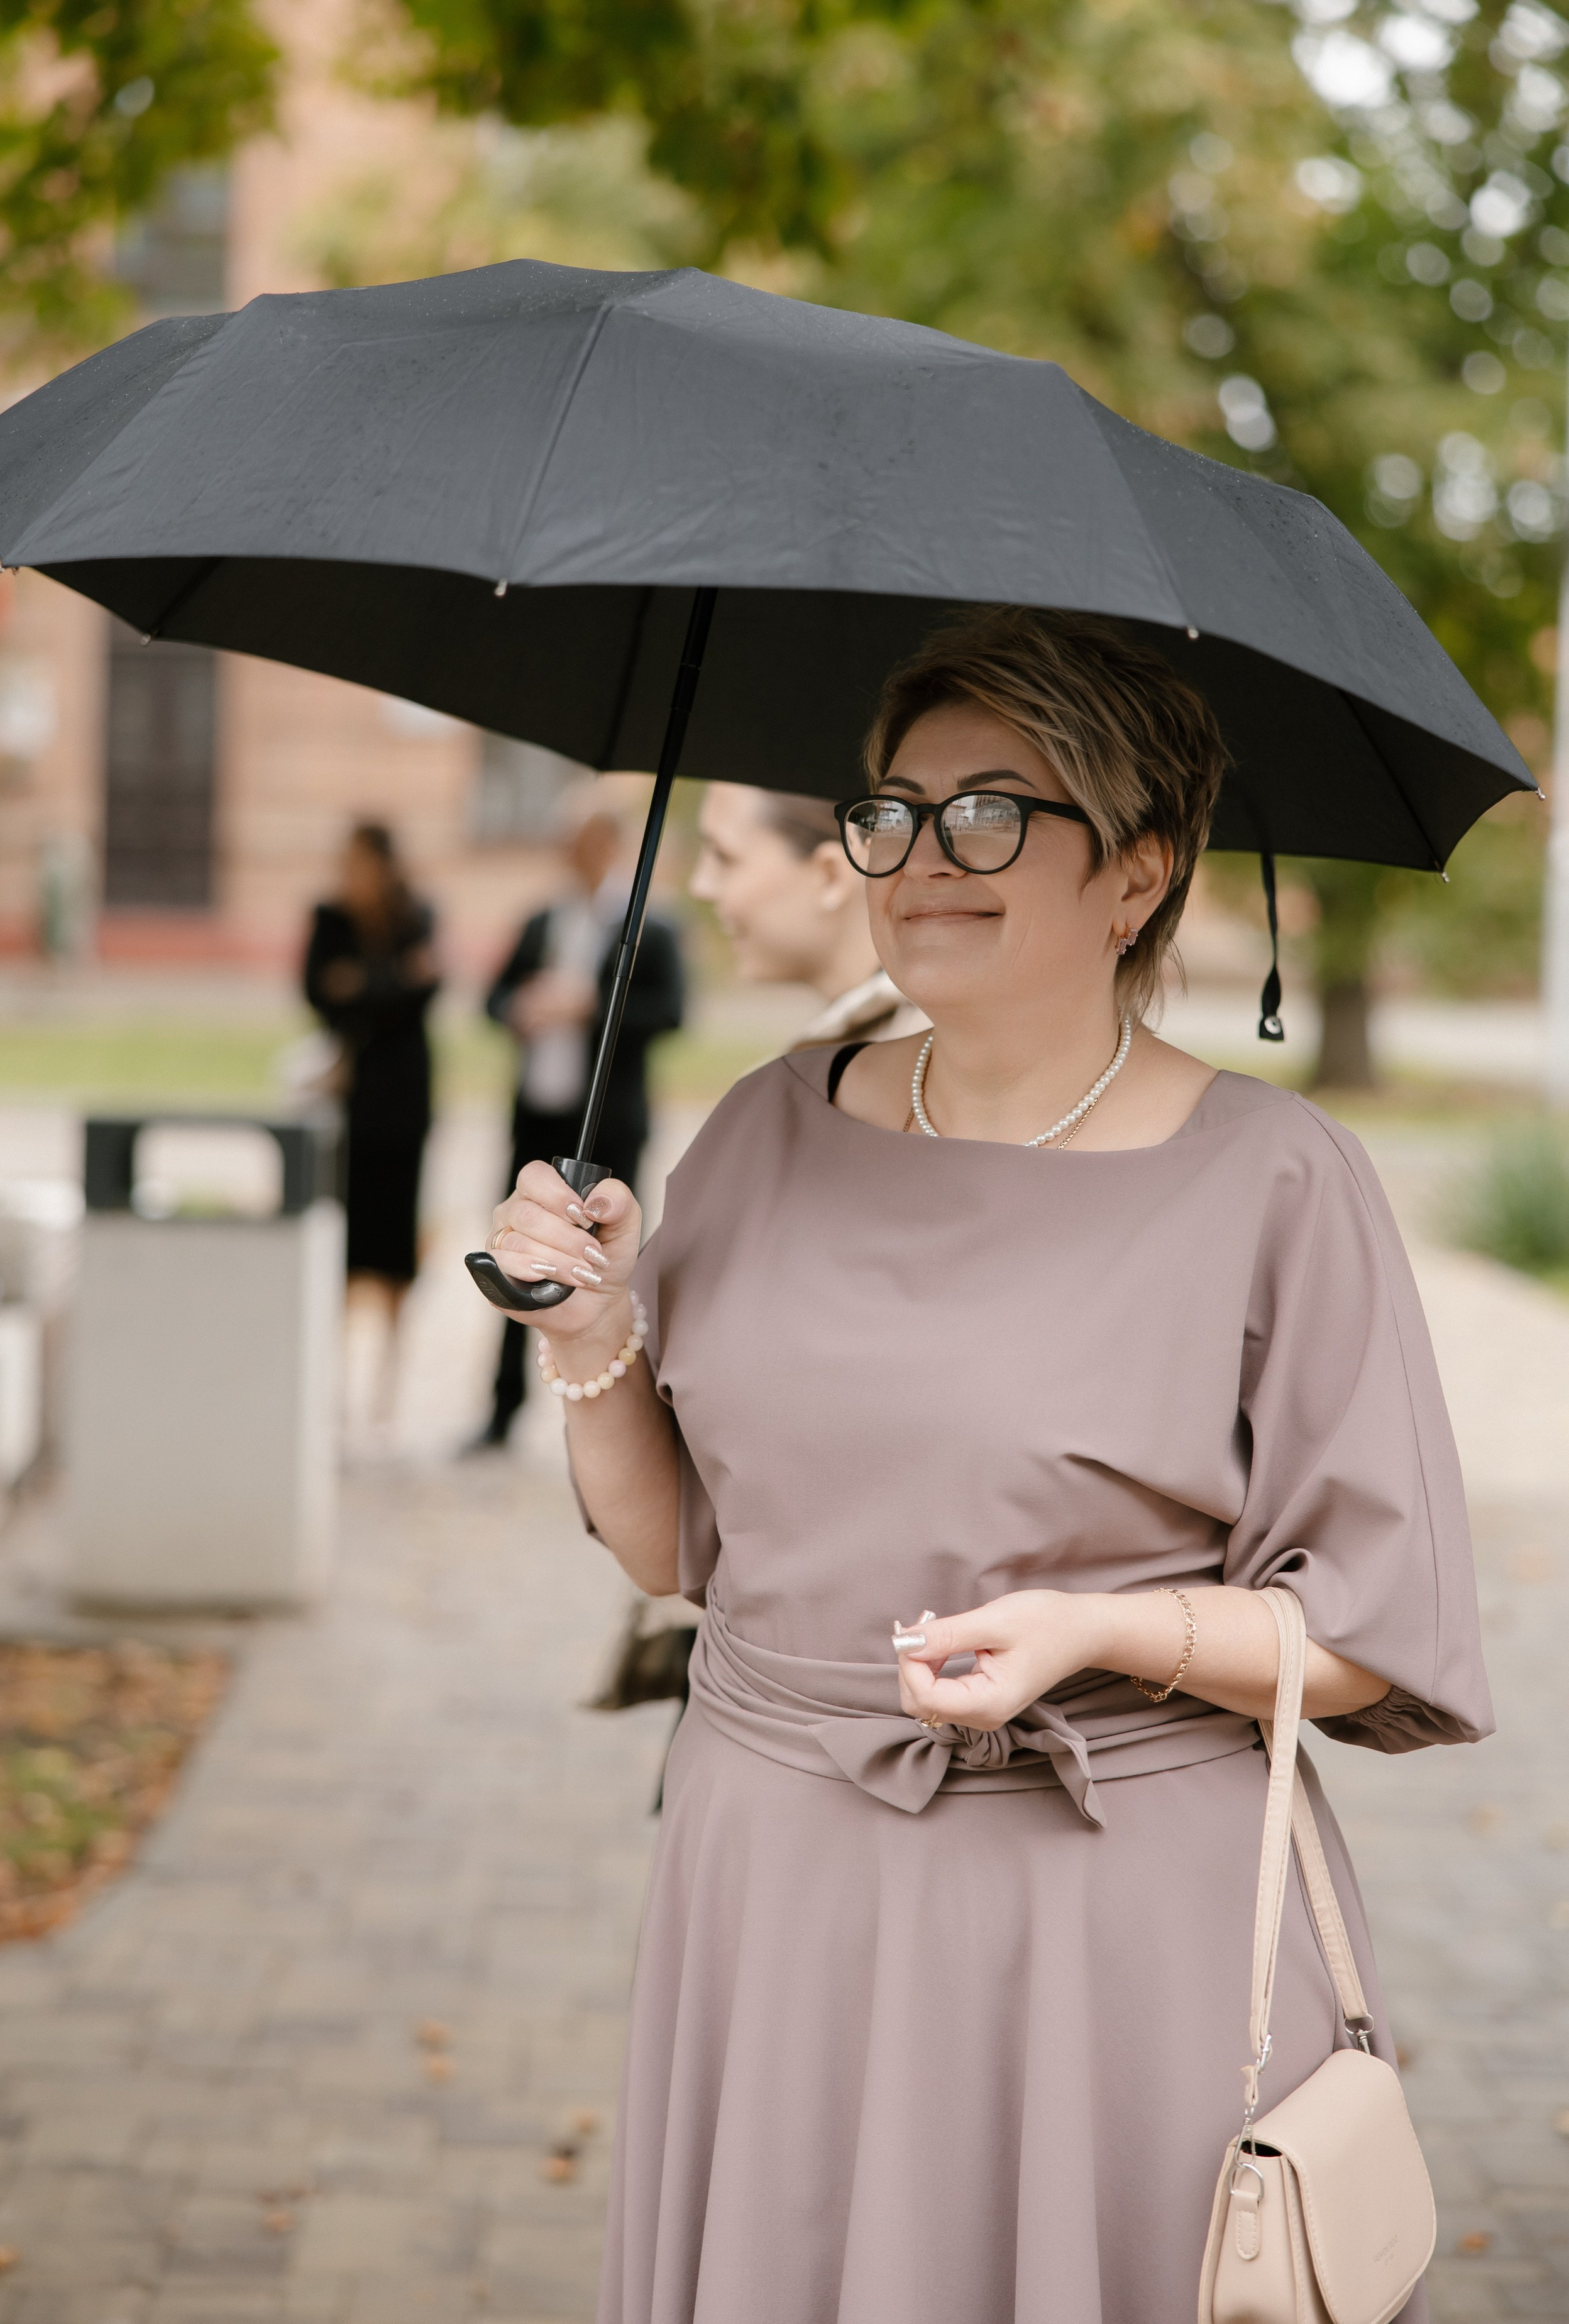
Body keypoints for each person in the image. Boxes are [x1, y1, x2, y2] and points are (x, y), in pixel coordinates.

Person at [479, 609, 1490, 2324]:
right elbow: (677, 1554)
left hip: (1106, 1926)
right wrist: (592, 1339)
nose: (923, 859)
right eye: (891, 811)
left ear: (1137, 873)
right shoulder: (769, 1124)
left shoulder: (1277, 1180)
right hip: (771, 1881)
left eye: (992, 812)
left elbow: (1368, 1633)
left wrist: (1094, 1630)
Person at [473, 803, 684, 1450]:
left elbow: (671, 1012)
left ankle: (629, 1407)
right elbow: (491, 999)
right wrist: (520, 1007)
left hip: (611, 1122)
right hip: (539, 1111)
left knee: (611, 1264)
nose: (575, 854)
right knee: (518, 1252)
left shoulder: (649, 926)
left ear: (610, 847)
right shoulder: (543, 920)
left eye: (587, 842)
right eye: (568, 842)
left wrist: (591, 1007)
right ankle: (502, 1410)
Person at [302, 821, 438, 1429]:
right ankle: (332, 1388)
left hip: (405, 1104)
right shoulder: (331, 918)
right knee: (342, 1243)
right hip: (351, 1103)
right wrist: (393, 982)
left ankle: (387, 1391)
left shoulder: (417, 915)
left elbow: (426, 990)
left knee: (395, 1248)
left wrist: (361, 983)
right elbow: (317, 991)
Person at [689, 785, 922, 1046]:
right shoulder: (866, 1042)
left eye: (724, 857)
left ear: (830, 876)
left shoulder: (917, 1053)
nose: (700, 886)